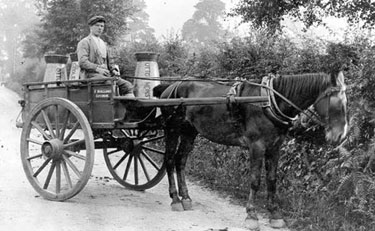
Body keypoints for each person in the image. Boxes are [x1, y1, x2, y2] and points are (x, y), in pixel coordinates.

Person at [77, 15, 134, 97]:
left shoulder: (103, 44)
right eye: (97, 25)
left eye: (102, 26)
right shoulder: (84, 42)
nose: (100, 28)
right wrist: (97, 68)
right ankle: (112, 107)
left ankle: (129, 108)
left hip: (105, 76)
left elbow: (109, 63)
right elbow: (82, 62)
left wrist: (113, 70)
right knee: (109, 83)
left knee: (127, 85)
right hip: (90, 76)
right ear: (90, 27)